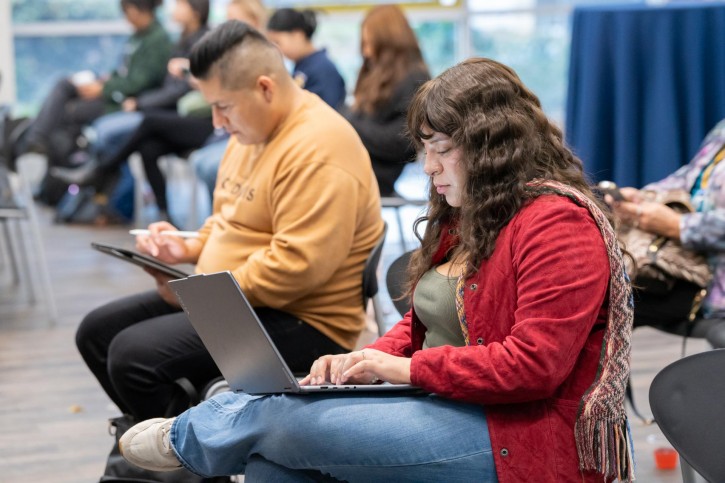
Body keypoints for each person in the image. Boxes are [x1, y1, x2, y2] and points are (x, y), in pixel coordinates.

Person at [118, 58, 636, 483]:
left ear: (493, 146)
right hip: (446, 403)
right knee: (272, 464)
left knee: (275, 419)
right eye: (425, 150)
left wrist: (402, 370)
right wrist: (367, 358)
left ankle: (191, 435)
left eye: (442, 150)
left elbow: (532, 368)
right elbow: (424, 324)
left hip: (517, 434)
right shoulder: (476, 212)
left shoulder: (559, 224)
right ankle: (220, 427)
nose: (428, 168)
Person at [74, 19, 383, 425]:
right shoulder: (249, 134)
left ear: (265, 88)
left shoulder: (319, 147)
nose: (217, 122)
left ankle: (188, 455)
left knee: (134, 357)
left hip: (303, 321)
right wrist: (186, 247)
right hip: (242, 299)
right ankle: (180, 442)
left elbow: (298, 268)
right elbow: (227, 219)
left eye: (222, 106)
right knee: (96, 332)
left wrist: (198, 294)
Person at [53, 0, 211, 223]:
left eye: (179, 5)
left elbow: (181, 88)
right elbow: (168, 87)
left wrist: (140, 103)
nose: (173, 10)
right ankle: (165, 216)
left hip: (198, 118)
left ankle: (101, 171)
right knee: (148, 148)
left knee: (147, 122)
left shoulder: (200, 41)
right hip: (175, 112)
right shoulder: (181, 40)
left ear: (196, 11)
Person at [604, 119, 725, 344]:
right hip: (691, 273)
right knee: (603, 304)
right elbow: (686, 179)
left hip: (714, 293)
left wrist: (678, 225)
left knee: (608, 309)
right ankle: (611, 380)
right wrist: (642, 199)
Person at [20, 0, 171, 158]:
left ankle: (50, 151)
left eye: (127, 13)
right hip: (114, 93)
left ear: (135, 10)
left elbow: (140, 82)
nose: (126, 19)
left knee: (70, 111)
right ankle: (35, 141)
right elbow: (125, 72)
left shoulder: (158, 39)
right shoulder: (137, 37)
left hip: (125, 102)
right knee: (64, 85)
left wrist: (104, 88)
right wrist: (103, 81)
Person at [340, 4, 430, 197]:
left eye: (370, 44)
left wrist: (350, 124)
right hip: (361, 163)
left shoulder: (414, 79)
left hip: (379, 173)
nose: (366, 52)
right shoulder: (376, 75)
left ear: (388, 42)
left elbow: (403, 142)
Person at [266, 8, 346, 109]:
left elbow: (325, 110)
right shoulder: (303, 66)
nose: (276, 48)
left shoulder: (322, 69)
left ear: (298, 35)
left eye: (278, 42)